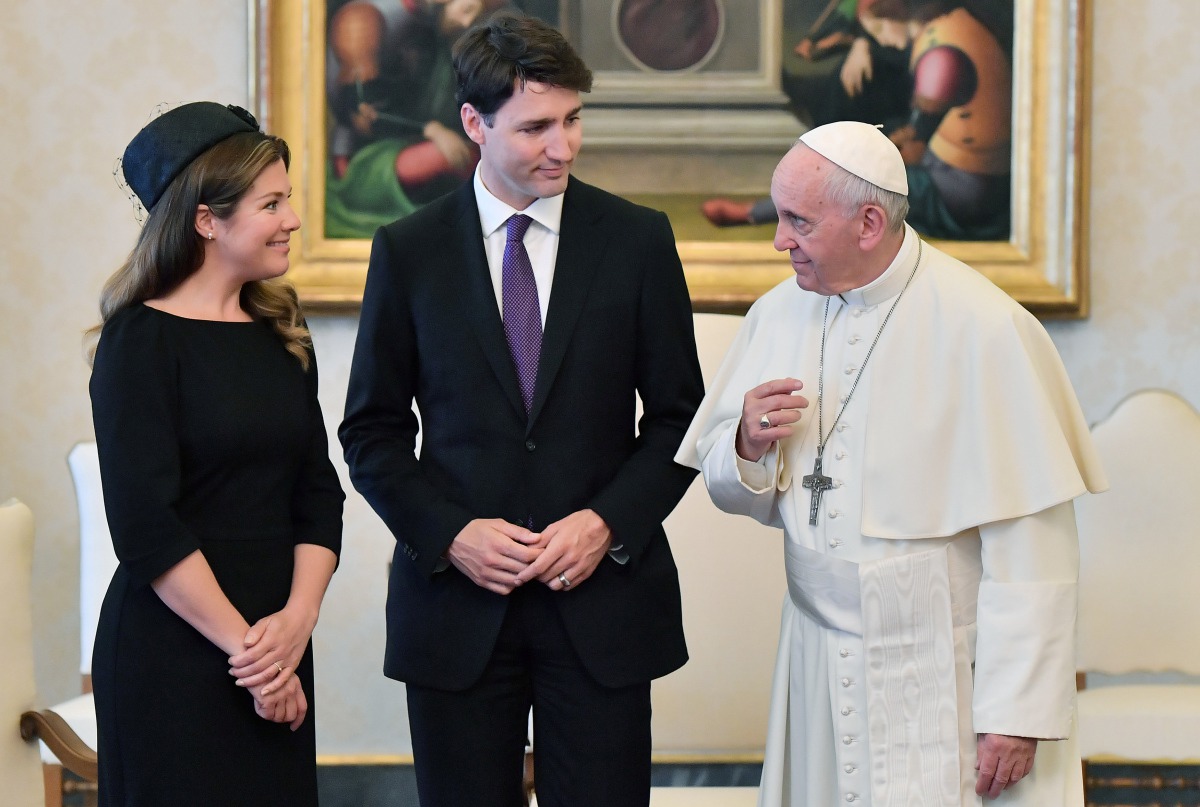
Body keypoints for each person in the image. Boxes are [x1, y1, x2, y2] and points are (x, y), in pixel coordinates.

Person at [676, 121, 1106, 806]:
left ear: (869, 222)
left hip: (944, 665)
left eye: (799, 221)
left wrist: (1014, 715)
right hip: (817, 654)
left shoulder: (985, 326)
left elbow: (1036, 550)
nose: (779, 239)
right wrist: (745, 445)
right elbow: (732, 489)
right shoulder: (778, 314)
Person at [339, 13, 704, 807]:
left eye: (573, 120)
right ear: (474, 123)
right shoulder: (407, 251)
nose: (563, 146)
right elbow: (371, 432)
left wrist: (606, 522)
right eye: (537, 126)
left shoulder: (638, 240)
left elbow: (681, 416)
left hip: (603, 605)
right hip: (457, 610)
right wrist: (450, 534)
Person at [87, 102, 344, 806]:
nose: (292, 219)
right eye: (272, 203)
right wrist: (256, 659)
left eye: (286, 200)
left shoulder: (281, 333)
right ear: (207, 219)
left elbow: (318, 495)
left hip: (276, 642)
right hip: (177, 655)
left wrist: (296, 622)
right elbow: (146, 525)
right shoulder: (138, 342)